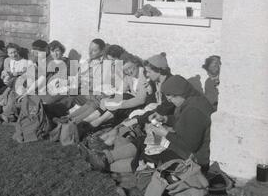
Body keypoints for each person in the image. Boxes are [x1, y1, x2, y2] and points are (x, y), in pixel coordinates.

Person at [84, 75, 212, 174]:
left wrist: (165, 133)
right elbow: (182, 121)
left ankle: (105, 165)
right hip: (183, 146)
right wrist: (165, 118)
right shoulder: (191, 102)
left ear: (180, 94)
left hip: (192, 158)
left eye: (171, 97)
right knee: (143, 140)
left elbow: (191, 146)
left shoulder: (194, 111)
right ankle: (106, 158)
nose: (170, 100)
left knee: (145, 153)